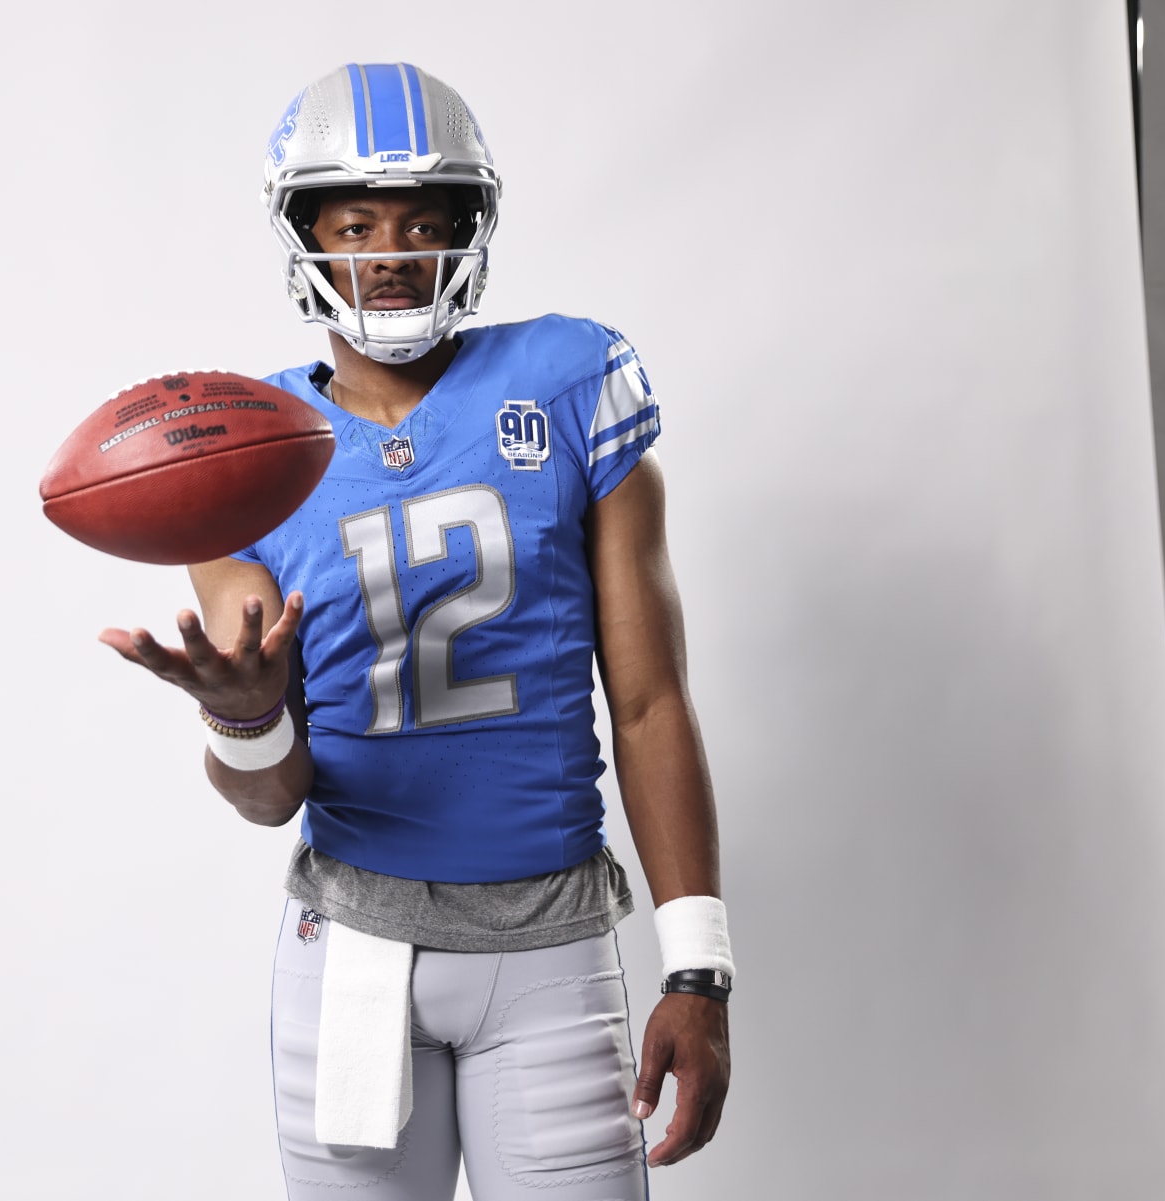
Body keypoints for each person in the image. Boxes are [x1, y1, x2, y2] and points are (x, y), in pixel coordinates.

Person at [100, 62, 731, 1201]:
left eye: (422, 220)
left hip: (552, 944)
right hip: (353, 956)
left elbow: (647, 701)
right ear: (306, 236)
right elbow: (270, 792)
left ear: (468, 231)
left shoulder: (572, 377)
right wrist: (242, 715)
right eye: (354, 222)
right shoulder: (237, 456)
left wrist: (701, 963)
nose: (389, 250)